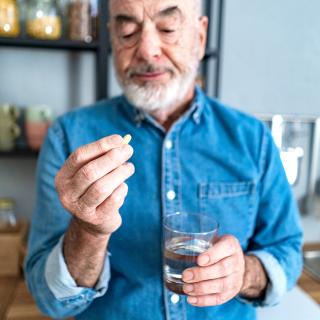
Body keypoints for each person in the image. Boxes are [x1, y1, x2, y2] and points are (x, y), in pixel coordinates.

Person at [25, 0, 303, 319]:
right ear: (112, 37)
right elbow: (50, 301)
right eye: (128, 31)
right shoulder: (69, 137)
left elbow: (287, 250)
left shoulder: (253, 139)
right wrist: (88, 231)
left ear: (200, 37)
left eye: (168, 29)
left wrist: (246, 274)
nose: (147, 50)